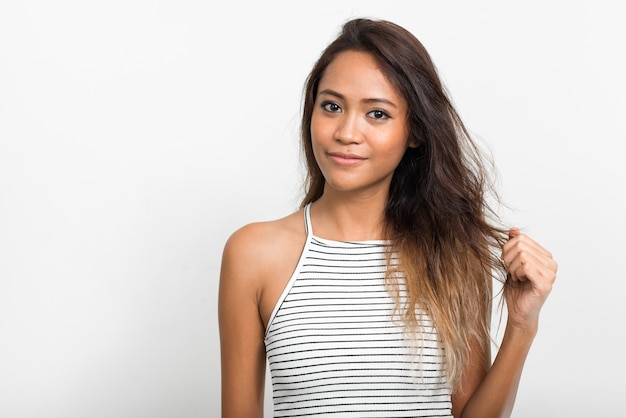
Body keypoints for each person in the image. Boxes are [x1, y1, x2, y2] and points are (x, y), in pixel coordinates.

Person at [218, 17, 557, 418]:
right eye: (332, 106)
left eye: (376, 114)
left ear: (414, 132)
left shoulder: (451, 256)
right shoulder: (253, 254)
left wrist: (521, 326)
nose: (346, 132)